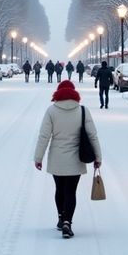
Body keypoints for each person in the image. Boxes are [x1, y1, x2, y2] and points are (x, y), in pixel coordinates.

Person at [34, 79, 102, 238]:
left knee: (59, 189)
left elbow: (44, 136)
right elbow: (93, 136)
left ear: (57, 94)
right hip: (76, 159)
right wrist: (98, 157)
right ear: (74, 94)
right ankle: (67, 222)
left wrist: (38, 157)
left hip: (57, 158)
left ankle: (60, 218)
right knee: (71, 191)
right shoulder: (83, 111)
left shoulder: (51, 111)